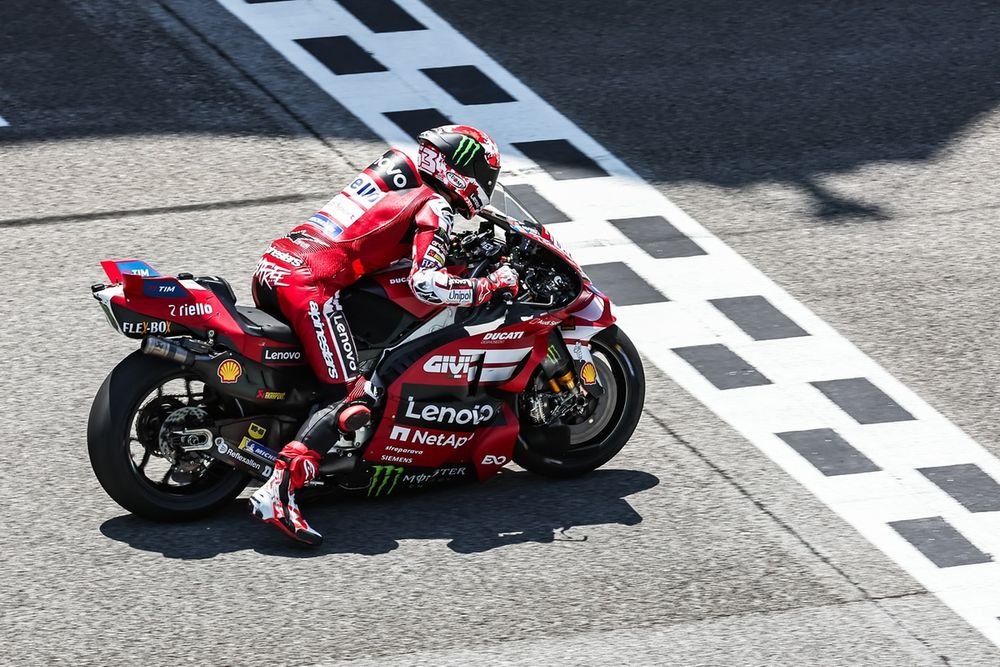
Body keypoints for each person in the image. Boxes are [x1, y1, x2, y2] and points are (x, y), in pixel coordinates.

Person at [248, 125, 519, 545]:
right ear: (463, 171)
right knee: (352, 396)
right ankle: (279, 491)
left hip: (276, 266)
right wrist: (488, 285)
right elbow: (426, 284)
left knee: (333, 363)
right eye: (486, 177)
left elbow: (371, 229)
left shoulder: (394, 165)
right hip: (309, 287)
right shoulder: (434, 206)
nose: (485, 188)